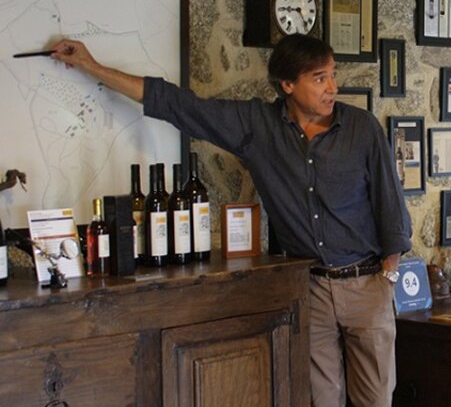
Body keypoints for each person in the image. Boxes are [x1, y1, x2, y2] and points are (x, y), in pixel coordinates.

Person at [51, 34, 412, 407]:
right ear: (288, 85)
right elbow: (177, 104)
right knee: (321, 401)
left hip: (367, 283)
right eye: (320, 78)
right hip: (312, 288)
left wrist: (388, 276)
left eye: (333, 74)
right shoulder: (257, 127)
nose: (332, 87)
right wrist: (91, 66)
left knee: (375, 401)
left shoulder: (361, 128)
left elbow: (391, 205)